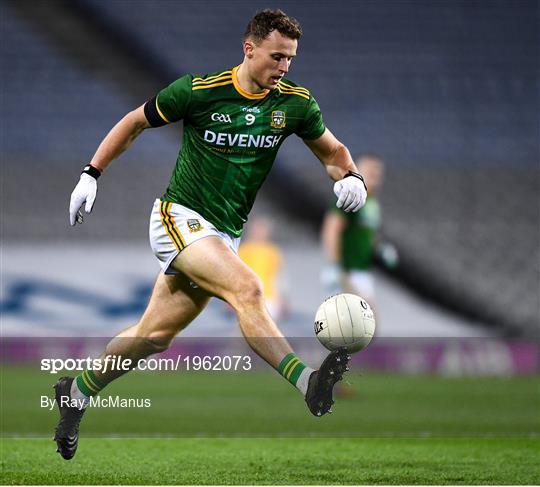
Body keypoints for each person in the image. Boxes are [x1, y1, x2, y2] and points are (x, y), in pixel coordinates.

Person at [55, 9, 367, 460]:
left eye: (291, 60)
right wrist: (91, 173)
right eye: (277, 57)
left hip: (222, 234)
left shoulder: (294, 104)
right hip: (177, 217)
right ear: (250, 48)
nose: (284, 68)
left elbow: (333, 150)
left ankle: (77, 392)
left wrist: (349, 175)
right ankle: (308, 383)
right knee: (248, 287)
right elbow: (134, 121)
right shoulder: (200, 91)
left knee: (153, 336)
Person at [321, 154, 397, 318]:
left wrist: (380, 248)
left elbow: (368, 233)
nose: (374, 177)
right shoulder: (351, 196)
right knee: (357, 325)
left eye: (377, 173)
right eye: (369, 172)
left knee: (364, 327)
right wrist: (334, 265)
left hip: (363, 271)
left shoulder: (372, 203)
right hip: (347, 271)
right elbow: (331, 229)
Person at [238, 217, 287, 320]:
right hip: (248, 296)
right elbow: (236, 275)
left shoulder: (273, 251)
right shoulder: (245, 250)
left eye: (263, 230)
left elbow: (279, 276)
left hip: (269, 296)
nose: (261, 233)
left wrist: (283, 298)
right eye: (258, 229)